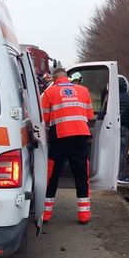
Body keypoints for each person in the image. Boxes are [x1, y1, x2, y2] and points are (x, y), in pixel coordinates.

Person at [40, 67, 95, 224]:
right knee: (81, 176)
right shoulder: (83, 90)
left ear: (54, 79)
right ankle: (84, 216)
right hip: (81, 136)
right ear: (67, 78)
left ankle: (45, 215)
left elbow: (44, 118)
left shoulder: (50, 92)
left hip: (60, 137)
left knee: (52, 175)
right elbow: (89, 115)